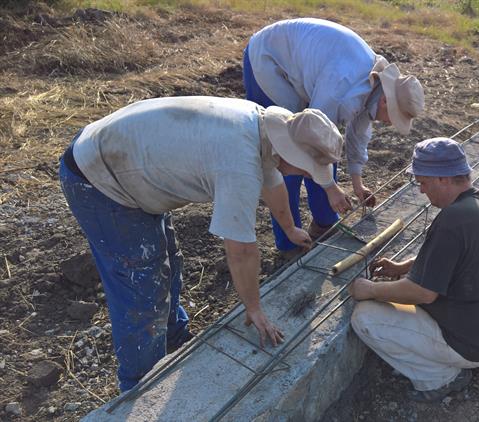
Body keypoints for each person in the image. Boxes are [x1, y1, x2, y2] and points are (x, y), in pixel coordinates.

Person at [59, 96, 344, 391]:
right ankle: (138, 387)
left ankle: (174, 338)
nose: (307, 175)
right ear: (292, 157)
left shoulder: (270, 128)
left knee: (166, 259)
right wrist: (255, 308)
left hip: (129, 159)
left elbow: (272, 183)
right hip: (99, 178)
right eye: (307, 169)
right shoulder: (239, 161)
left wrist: (291, 228)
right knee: (141, 286)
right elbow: (241, 250)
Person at [348, 138, 479, 402]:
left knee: (365, 317)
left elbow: (423, 293)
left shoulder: (453, 219)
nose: (423, 191)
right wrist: (403, 267)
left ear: (443, 180)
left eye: (424, 183)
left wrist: (370, 289)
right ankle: (450, 362)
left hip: (469, 344)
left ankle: (438, 378)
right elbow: (453, 256)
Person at [242, 17, 425, 257]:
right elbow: (311, 136)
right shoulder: (343, 85)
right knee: (285, 156)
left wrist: (357, 183)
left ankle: (324, 222)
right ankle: (290, 242)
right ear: (385, 100)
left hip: (302, 65)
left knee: (326, 149)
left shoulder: (373, 84)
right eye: (393, 117)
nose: (391, 122)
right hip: (268, 60)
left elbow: (356, 135)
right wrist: (331, 188)